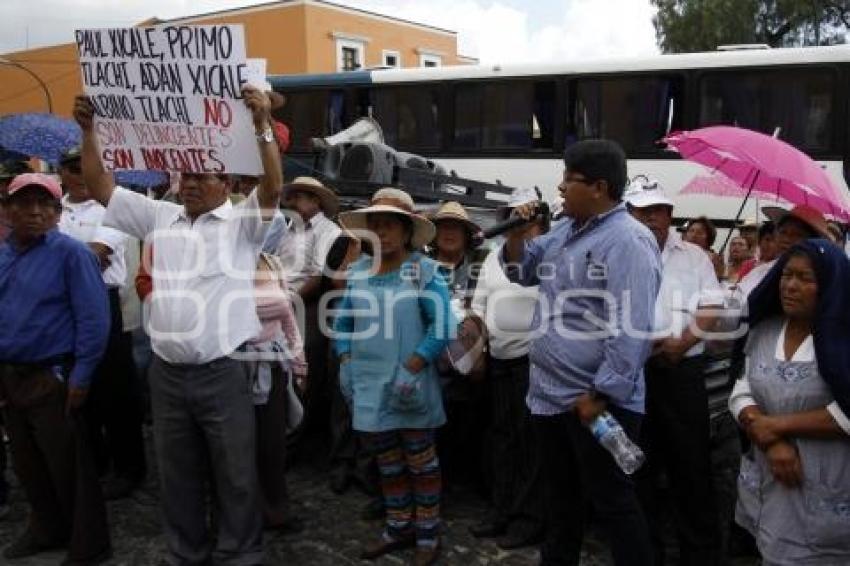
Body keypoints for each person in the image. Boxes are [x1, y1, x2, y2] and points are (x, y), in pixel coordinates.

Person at [74, 85, 283, 566]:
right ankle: (186, 552)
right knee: (178, 470)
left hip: (223, 371)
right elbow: (101, 185)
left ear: (225, 181)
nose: (189, 182)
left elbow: (273, 187)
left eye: (201, 175)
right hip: (167, 375)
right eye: (185, 174)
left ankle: (239, 551)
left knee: (234, 473)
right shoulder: (160, 216)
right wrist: (89, 132)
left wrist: (262, 125)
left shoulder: (244, 224)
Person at [502, 140, 661, 566]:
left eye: (569, 180)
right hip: (549, 396)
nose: (560, 188)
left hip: (594, 401)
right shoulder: (562, 232)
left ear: (598, 187)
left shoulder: (629, 241)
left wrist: (601, 395)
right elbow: (521, 272)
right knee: (561, 498)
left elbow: (632, 327)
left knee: (613, 501)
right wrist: (518, 233)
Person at [333, 188, 455, 565]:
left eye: (388, 226)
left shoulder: (423, 270)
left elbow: (443, 325)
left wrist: (414, 366)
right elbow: (343, 322)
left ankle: (428, 535)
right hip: (368, 384)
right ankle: (399, 525)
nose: (381, 233)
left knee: (421, 462)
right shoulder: (357, 273)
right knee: (387, 460)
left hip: (409, 383)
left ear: (406, 232)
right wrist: (345, 360)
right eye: (375, 226)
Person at [0, 173, 112, 565]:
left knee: (68, 467)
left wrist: (80, 378)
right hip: (12, 375)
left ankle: (89, 545)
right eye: (24, 204)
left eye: (44, 205)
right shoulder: (4, 252)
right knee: (28, 464)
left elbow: (95, 322)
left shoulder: (72, 254)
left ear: (56, 212)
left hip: (53, 376)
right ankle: (46, 529)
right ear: (7, 210)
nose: (34, 212)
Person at [729, 239, 850, 565]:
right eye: (786, 275)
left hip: (826, 484)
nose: (791, 286)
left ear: (831, 286)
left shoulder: (843, 340)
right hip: (772, 480)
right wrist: (770, 441)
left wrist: (776, 426)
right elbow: (741, 388)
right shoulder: (764, 330)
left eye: (805, 279)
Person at [625, 178, 724, 566]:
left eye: (657, 210)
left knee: (692, 468)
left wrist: (682, 342)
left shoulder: (695, 257)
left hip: (683, 372)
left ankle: (700, 555)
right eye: (641, 210)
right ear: (628, 215)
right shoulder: (620, 252)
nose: (650, 218)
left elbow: (712, 306)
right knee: (638, 467)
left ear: (669, 214)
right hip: (635, 371)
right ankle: (645, 554)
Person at [57, 146, 146, 500]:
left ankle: (130, 468)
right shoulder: (54, 208)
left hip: (103, 304)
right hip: (62, 305)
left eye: (84, 168)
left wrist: (55, 259)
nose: (78, 174)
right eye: (71, 168)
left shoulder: (114, 210)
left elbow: (99, 254)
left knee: (117, 391)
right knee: (78, 389)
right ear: (62, 172)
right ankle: (94, 462)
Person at [469, 187, 546, 550]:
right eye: (510, 215)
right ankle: (501, 509)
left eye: (523, 215)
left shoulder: (548, 253)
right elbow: (480, 305)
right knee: (502, 439)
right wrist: (477, 347)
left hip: (533, 362)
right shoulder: (491, 257)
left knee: (530, 441)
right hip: (499, 360)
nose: (516, 222)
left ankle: (528, 518)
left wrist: (525, 235)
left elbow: (523, 275)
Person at [428, 201, 490, 490]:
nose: (448, 233)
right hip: (428, 359)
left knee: (465, 423)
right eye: (442, 227)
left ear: (467, 235)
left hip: (470, 360)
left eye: (456, 228)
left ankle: (459, 481)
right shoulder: (419, 267)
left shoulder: (483, 267)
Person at [276, 176, 341, 446]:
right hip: (279, 303)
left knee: (302, 374)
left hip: (308, 305)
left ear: (316, 201)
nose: (292, 201)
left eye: (299, 196)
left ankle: (295, 441)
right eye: (292, 197)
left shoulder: (327, 230)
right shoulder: (287, 229)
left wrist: (290, 300)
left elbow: (319, 274)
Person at [245, 252, 306, 532]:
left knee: (272, 445)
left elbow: (288, 321)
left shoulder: (273, 262)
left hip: (273, 364)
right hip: (234, 368)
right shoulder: (224, 262)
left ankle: (275, 510)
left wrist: (298, 364)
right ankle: (242, 513)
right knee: (237, 446)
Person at [736, 205, 832, 298]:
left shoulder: (821, 278)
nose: (786, 239)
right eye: (783, 232)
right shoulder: (761, 271)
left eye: (796, 235)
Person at [683, 215, 723, 280]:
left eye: (700, 233)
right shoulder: (678, 255)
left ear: (709, 238)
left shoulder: (713, 259)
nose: (694, 235)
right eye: (691, 231)